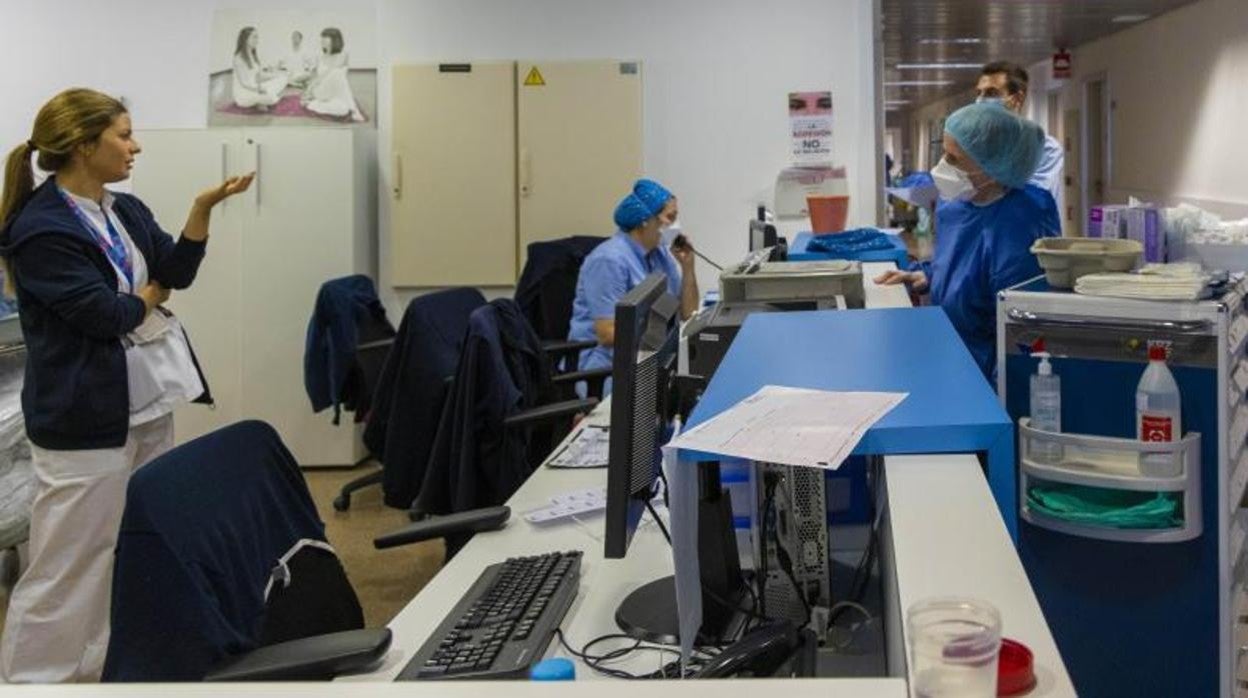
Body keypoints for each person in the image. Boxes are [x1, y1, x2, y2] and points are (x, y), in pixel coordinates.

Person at [0, 88, 253, 682]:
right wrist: (144, 299)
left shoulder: (123, 210)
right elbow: (105, 316)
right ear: (84, 145)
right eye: (123, 134)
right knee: (69, 563)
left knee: (128, 548)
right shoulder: (40, 229)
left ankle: (99, 674)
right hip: (84, 419)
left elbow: (175, 273)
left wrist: (201, 210)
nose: (134, 145)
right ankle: (34, 682)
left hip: (141, 405)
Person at [875, 103, 1060, 381]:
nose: (942, 167)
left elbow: (1023, 331)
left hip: (991, 373)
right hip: (952, 353)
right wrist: (927, 275)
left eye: (954, 158)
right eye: (943, 154)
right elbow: (960, 263)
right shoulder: (954, 207)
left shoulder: (1021, 222)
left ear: (994, 164)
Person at [569, 179, 699, 375]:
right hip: (606, 368)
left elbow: (688, 314)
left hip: (647, 357)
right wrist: (660, 337)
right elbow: (607, 333)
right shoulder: (608, 261)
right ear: (645, 220)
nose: (675, 226)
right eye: (670, 217)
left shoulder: (660, 253)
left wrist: (688, 267)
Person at [976, 61, 1064, 216]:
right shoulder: (973, 145)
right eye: (979, 93)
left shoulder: (1045, 149)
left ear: (1017, 99)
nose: (981, 100)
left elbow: (1030, 202)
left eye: (991, 93)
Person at [302, 28, 365, 122]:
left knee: (343, 110)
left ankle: (312, 105)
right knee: (337, 73)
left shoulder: (344, 55)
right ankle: (354, 110)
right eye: (322, 37)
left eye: (326, 37)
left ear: (335, 40)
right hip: (321, 90)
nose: (322, 40)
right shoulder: (319, 56)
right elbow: (318, 76)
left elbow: (331, 70)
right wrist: (309, 90)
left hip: (336, 93)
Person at [231, 26, 288, 111]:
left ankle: (261, 101)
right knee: (271, 97)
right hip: (244, 93)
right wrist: (259, 89)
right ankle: (264, 100)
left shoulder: (253, 55)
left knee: (283, 78)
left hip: (256, 87)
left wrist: (276, 75)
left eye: (257, 37)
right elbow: (244, 83)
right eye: (254, 37)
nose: (257, 40)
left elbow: (259, 76)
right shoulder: (238, 58)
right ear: (245, 39)